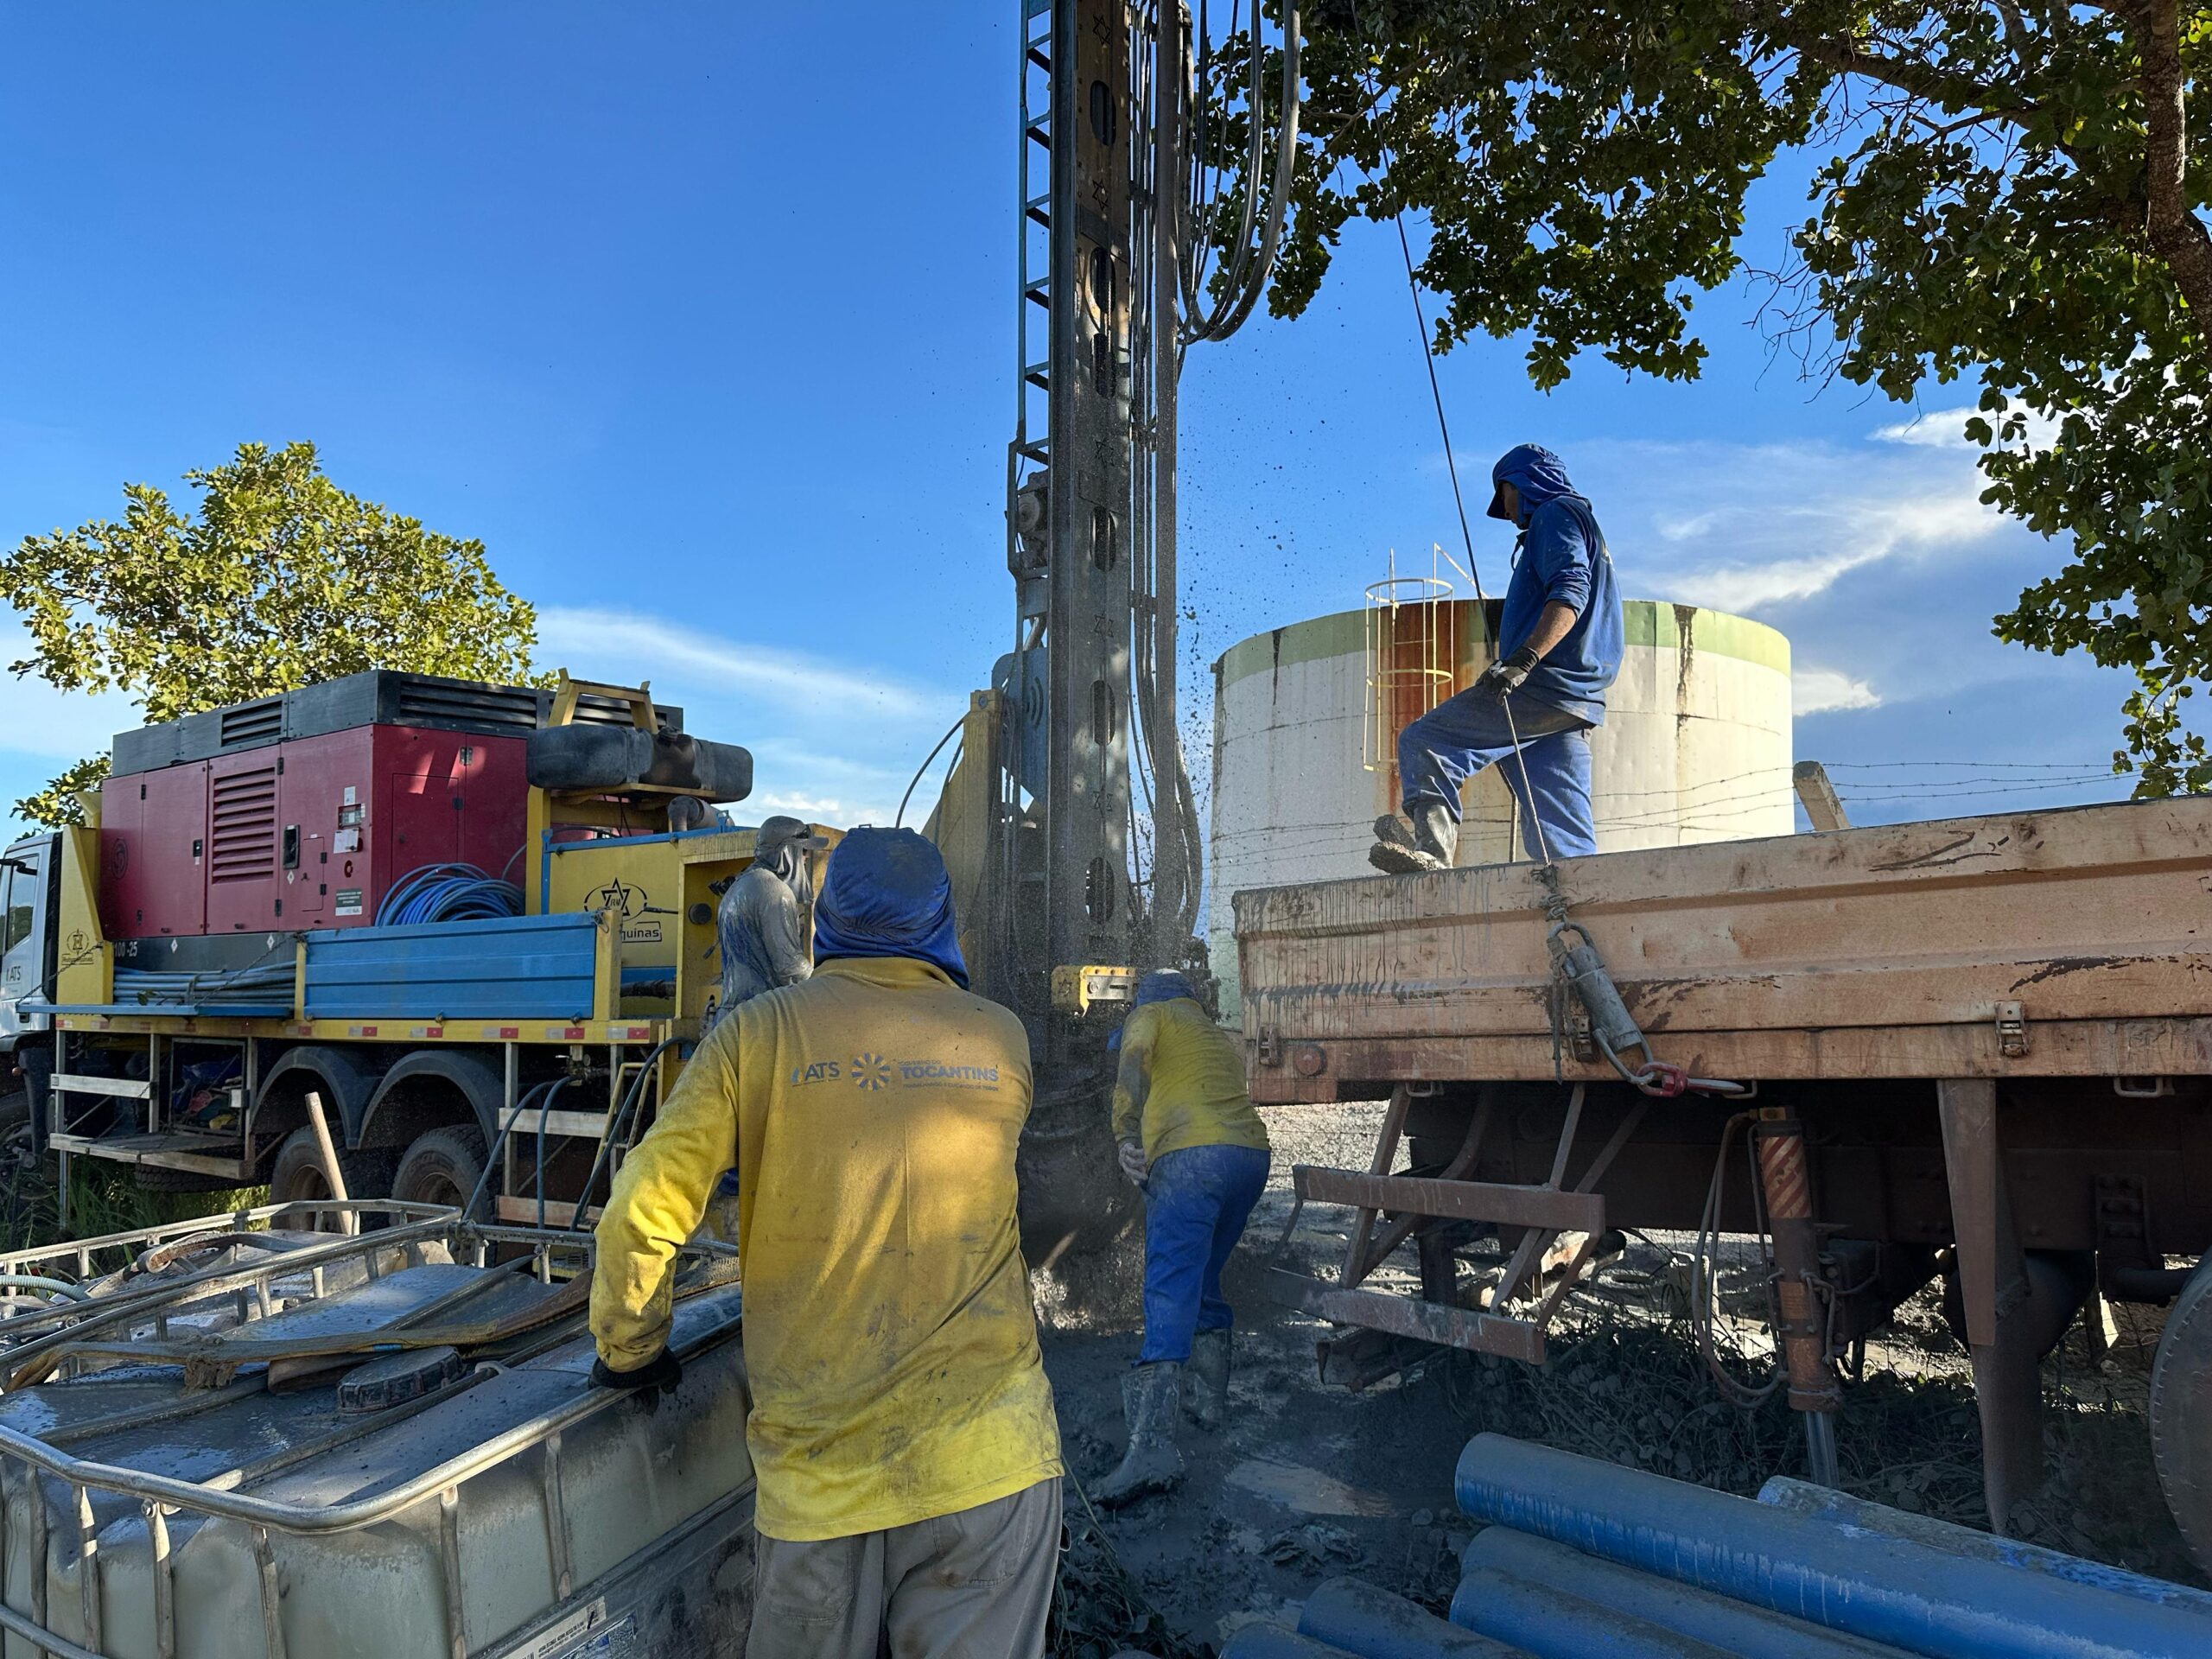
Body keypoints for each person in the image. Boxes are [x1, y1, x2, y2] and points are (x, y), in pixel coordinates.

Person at [589, 827, 1063, 1659]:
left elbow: (639, 1209)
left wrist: (632, 1350)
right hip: (994, 1466)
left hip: (822, 1487)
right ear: (942, 922)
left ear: (825, 918)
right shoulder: (1003, 1040)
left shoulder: (754, 1036)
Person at [1370, 443, 1623, 874]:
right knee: (1563, 837)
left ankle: (1433, 853)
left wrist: (1524, 659)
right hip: (1576, 700)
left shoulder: (1555, 514)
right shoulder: (1584, 526)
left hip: (1543, 685)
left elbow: (1570, 590)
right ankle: (1582, 896)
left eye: (1503, 494)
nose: (1504, 511)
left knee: (1426, 741)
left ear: (1523, 482)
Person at [1095, 969, 1272, 1505]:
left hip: (1192, 1161)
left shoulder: (1150, 1014)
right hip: (1250, 1160)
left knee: (1169, 1284)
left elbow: (1132, 1064)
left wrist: (1125, 1135)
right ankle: (1208, 1405)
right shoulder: (1212, 1033)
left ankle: (1149, 1449)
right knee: (1204, 1276)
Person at [714, 815, 825, 1016]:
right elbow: (789, 967)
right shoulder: (775, 892)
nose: (807, 857)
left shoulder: (738, 887)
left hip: (731, 1015)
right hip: (760, 1016)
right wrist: (825, 989)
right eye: (803, 850)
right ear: (786, 852)